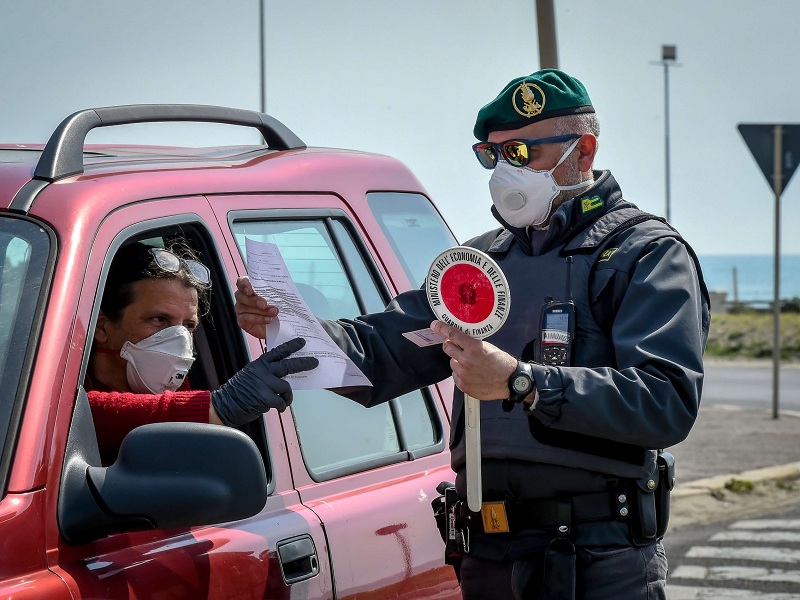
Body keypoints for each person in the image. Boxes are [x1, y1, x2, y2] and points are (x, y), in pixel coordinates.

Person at [234, 69, 710, 599]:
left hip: (597, 557)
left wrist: (523, 382)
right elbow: (384, 350)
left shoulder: (642, 254)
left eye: (523, 152)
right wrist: (290, 323)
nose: (506, 169)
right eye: (493, 154)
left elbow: (665, 400)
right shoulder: (484, 260)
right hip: (488, 555)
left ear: (585, 149)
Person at [88, 240, 317, 464]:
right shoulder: (60, 392)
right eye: (159, 319)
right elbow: (85, 417)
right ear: (101, 327)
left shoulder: (182, 387)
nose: (177, 340)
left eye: (188, 326)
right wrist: (219, 406)